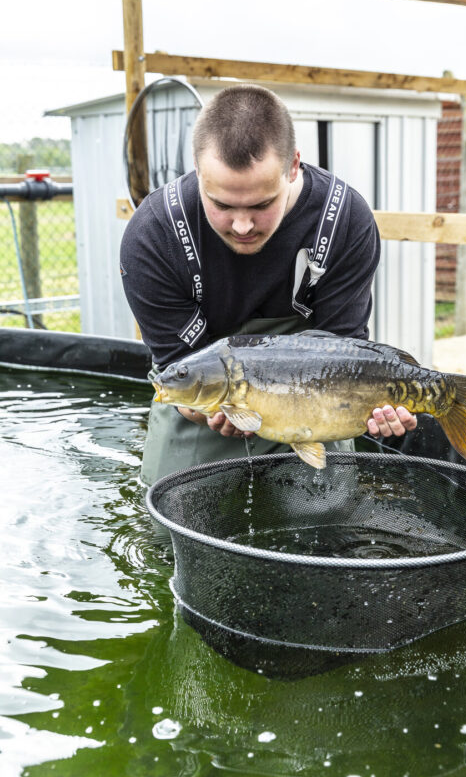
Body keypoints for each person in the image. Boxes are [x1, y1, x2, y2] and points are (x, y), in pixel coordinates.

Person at [120, 84, 416, 485]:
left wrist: (378, 408)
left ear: (293, 166)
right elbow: (179, 373)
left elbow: (344, 348)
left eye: (261, 204)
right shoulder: (152, 235)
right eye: (222, 204)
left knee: (324, 525)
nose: (242, 225)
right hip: (208, 390)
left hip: (314, 390)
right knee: (165, 529)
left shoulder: (345, 218)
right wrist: (214, 408)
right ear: (197, 167)